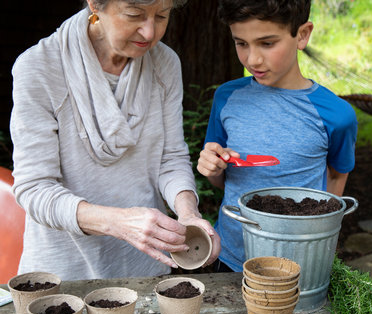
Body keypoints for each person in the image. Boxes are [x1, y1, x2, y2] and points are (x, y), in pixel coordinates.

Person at [9, 0, 220, 281]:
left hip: (145, 270)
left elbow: (170, 159)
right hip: (60, 276)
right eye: (134, 15)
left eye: (162, 16)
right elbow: (34, 188)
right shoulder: (38, 67)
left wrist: (188, 213)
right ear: (96, 4)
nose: (149, 32)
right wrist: (119, 223)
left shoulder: (165, 63)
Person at [197, 0, 357, 272]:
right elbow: (225, 181)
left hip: (296, 262)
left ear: (302, 35)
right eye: (241, 43)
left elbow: (337, 175)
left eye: (267, 43)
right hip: (231, 256)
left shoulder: (336, 115)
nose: (252, 60)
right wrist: (211, 168)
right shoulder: (226, 97)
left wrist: (319, 236)